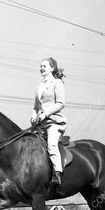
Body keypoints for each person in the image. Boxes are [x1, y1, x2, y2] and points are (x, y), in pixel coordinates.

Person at [30, 57, 67, 186]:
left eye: (44, 66)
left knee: (51, 144)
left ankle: (57, 173)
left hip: (54, 122)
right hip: (40, 124)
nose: (41, 68)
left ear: (52, 68)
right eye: (40, 66)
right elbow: (36, 107)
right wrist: (33, 116)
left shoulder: (57, 83)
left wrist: (45, 113)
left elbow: (61, 103)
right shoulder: (39, 86)